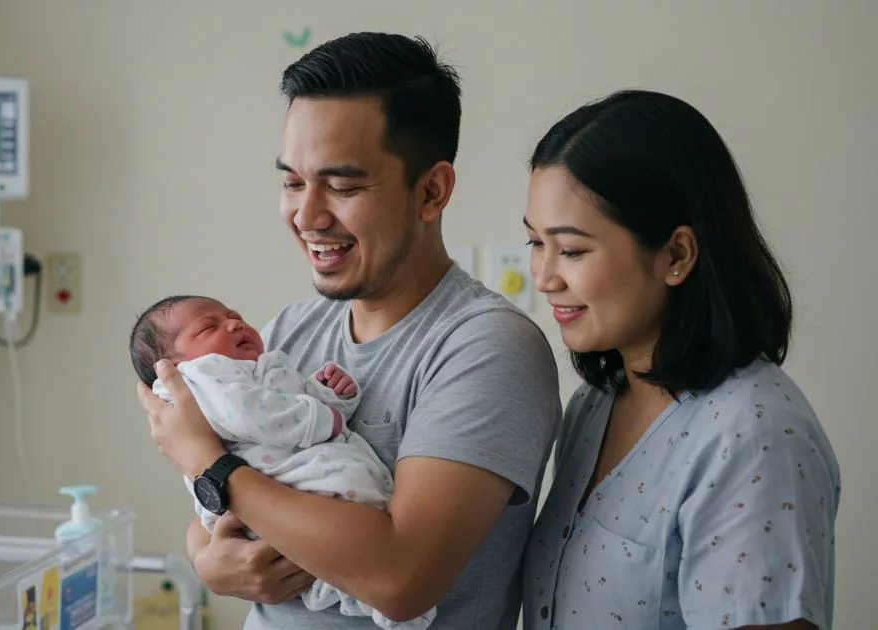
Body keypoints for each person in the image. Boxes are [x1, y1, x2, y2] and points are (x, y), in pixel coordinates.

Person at [136, 32, 561, 629]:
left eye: (342, 186)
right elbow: (225, 503)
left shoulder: (486, 348)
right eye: (291, 182)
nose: (307, 216)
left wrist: (210, 467)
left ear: (432, 190)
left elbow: (399, 579)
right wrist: (207, 560)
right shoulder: (289, 330)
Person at [519, 89, 841, 630]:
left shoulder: (754, 435)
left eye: (571, 249)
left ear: (676, 255)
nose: (544, 277)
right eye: (534, 243)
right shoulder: (594, 404)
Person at [128, 295, 431, 629]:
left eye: (234, 314)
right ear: (172, 365)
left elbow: (280, 409)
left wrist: (328, 396)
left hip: (286, 490)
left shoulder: (251, 361)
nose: (234, 323)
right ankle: (364, 597)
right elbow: (249, 415)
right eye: (208, 327)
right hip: (278, 484)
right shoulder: (205, 375)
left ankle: (362, 596)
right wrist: (206, 562)